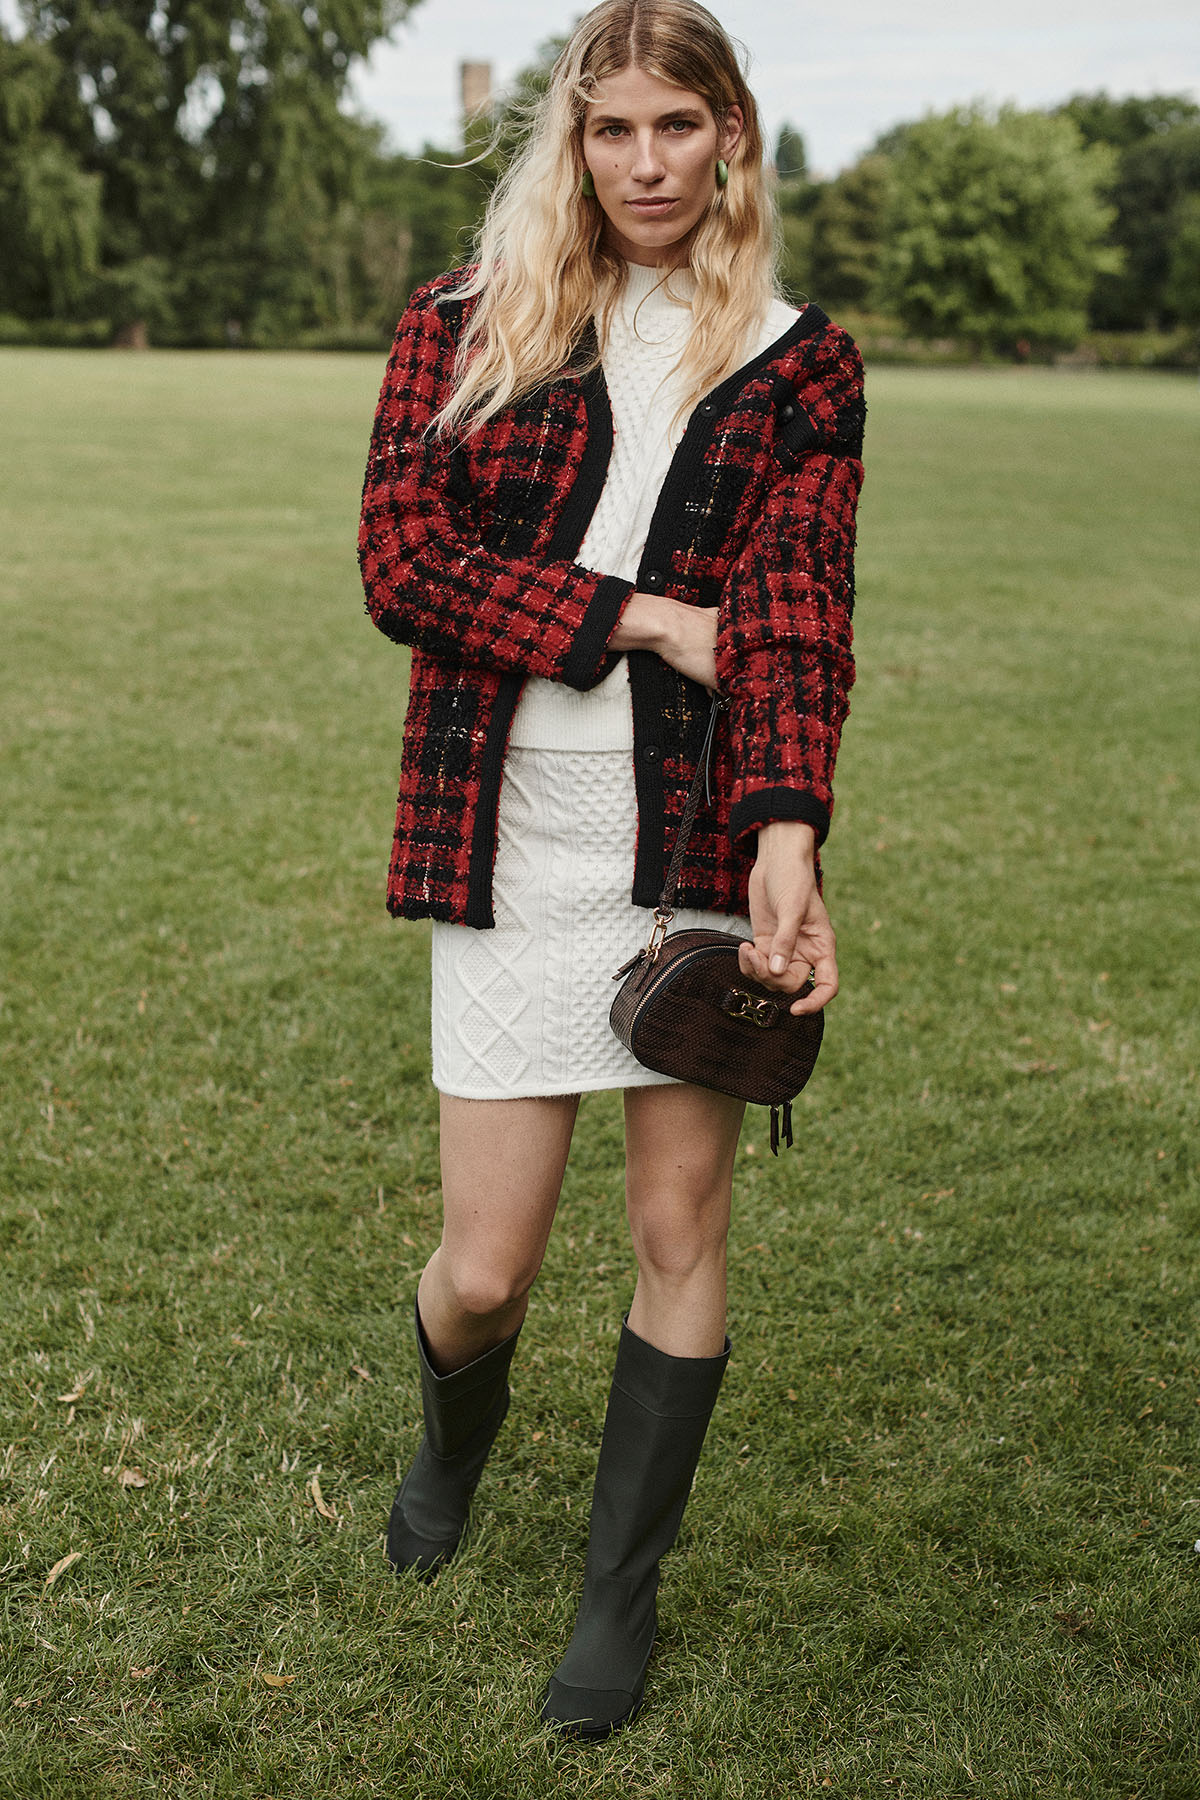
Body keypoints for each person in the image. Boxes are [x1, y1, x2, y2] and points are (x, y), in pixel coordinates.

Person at [357, 0, 864, 1742]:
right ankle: (449, 1448)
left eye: (679, 125)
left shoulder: (798, 362)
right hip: (502, 831)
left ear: (732, 135)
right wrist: (643, 615)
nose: (647, 163)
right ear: (574, 143)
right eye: (613, 128)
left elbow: (798, 619)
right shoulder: (463, 322)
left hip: (693, 838)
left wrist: (788, 836)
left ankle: (615, 1600)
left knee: (677, 1227)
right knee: (484, 1268)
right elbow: (404, 563)